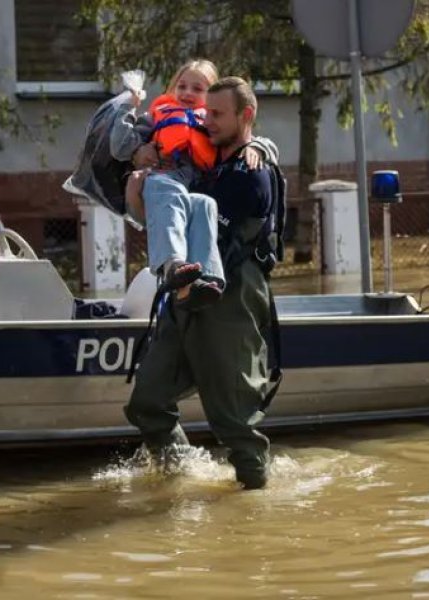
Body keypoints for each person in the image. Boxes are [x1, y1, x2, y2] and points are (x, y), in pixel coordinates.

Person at [124, 76, 286, 490]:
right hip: (184, 290)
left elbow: (213, 228)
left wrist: (260, 146)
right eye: (205, 112)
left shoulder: (251, 172)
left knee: (235, 421)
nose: (206, 120)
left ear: (245, 116)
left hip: (229, 295)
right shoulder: (201, 162)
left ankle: (254, 506)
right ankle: (182, 479)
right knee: (148, 402)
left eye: (217, 114)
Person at [111, 59, 265, 310]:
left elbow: (253, 137)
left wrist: (258, 147)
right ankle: (173, 265)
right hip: (159, 182)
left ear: (212, 97)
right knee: (168, 189)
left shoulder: (212, 125)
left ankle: (206, 280)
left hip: (186, 194)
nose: (187, 93)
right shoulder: (156, 116)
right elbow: (119, 146)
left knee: (204, 203)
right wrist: (130, 114)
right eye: (182, 86)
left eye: (197, 88)